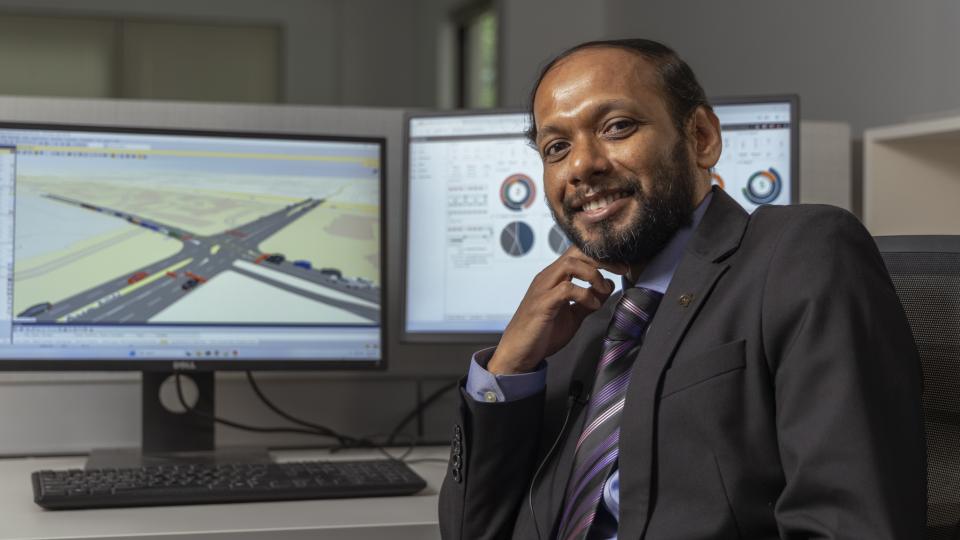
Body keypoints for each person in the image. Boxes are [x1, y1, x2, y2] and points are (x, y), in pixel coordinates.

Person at [437, 38, 926, 540]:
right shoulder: (580, 331)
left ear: (701, 137)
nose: (582, 165)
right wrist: (507, 369)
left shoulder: (798, 253)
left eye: (617, 127)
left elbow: (848, 524)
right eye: (556, 147)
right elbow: (470, 531)